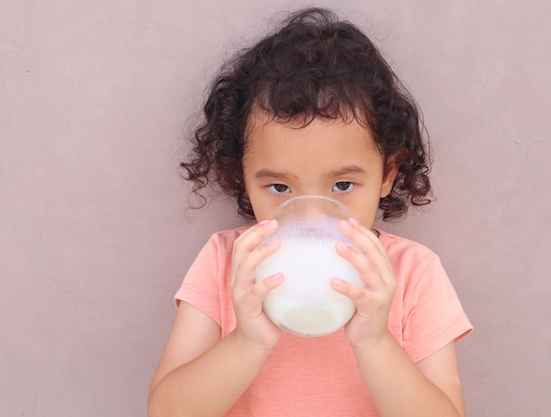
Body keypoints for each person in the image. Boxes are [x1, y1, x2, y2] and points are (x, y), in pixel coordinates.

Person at [148, 7, 472, 417]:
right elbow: (167, 410)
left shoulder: (413, 273)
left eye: (342, 186)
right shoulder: (225, 263)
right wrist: (248, 341)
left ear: (387, 173)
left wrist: (375, 342)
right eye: (280, 188)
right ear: (242, 177)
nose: (315, 218)